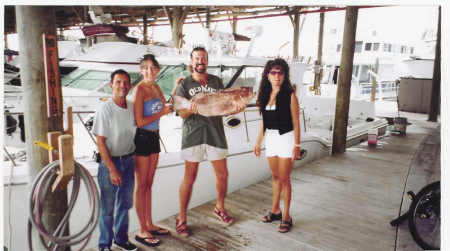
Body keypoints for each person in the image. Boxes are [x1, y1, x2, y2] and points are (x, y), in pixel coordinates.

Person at [174, 46, 236, 237]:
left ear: (207, 61)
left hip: (215, 134)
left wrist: (235, 107)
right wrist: (190, 109)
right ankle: (182, 217)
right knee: (189, 177)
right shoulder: (185, 84)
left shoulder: (217, 81)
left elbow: (225, 106)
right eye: (196, 58)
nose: (200, 61)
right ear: (191, 62)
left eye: (203, 58)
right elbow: (180, 112)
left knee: (223, 175)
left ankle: (220, 207)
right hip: (193, 134)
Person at [253, 58, 301, 233]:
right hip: (271, 139)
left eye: (280, 72)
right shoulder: (265, 95)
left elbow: (296, 122)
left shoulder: (290, 95)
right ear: (267, 75)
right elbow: (263, 122)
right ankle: (275, 210)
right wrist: (258, 142)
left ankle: (287, 216)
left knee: (285, 179)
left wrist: (296, 145)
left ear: (284, 75)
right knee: (274, 177)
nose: (277, 76)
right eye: (273, 72)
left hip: (286, 138)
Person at [92, 69, 138, 251]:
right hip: (109, 163)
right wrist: (112, 169)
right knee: (107, 208)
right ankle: (104, 245)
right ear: (111, 85)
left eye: (126, 82)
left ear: (130, 85)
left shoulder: (132, 106)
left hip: (128, 161)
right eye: (118, 82)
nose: (122, 86)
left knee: (125, 204)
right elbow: (100, 143)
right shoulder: (105, 109)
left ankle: (121, 239)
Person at [132, 54, 173, 247]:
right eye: (145, 68)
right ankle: (141, 230)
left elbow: (165, 107)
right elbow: (139, 121)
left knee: (149, 184)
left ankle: (149, 223)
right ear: (141, 70)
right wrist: (162, 113)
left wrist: (175, 90)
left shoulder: (156, 87)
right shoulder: (139, 90)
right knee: (141, 186)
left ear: (157, 70)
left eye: (153, 68)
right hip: (142, 138)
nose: (149, 71)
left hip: (155, 137)